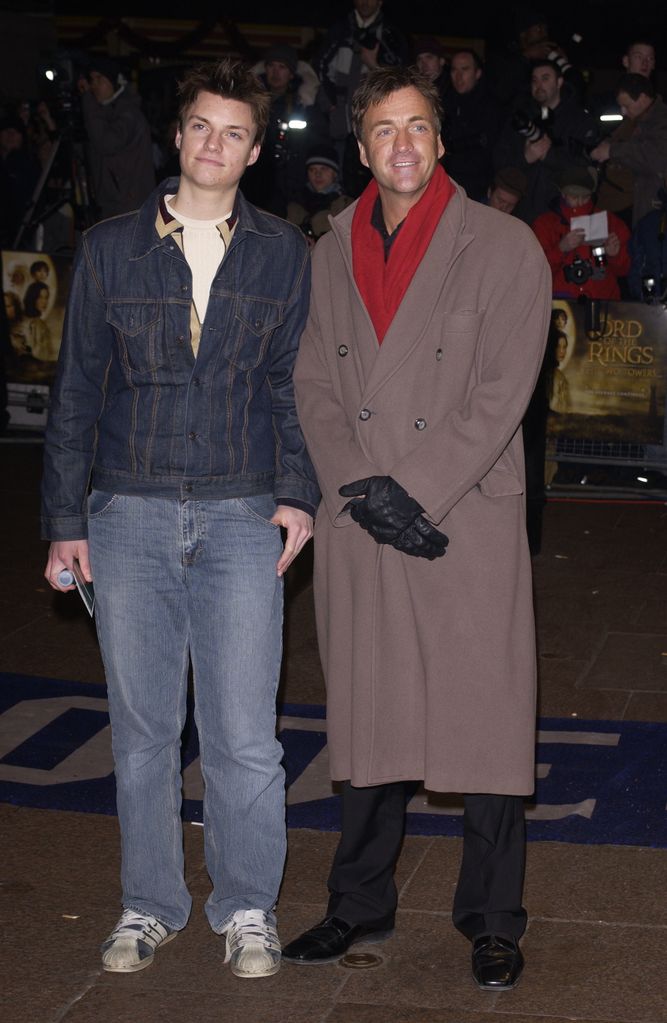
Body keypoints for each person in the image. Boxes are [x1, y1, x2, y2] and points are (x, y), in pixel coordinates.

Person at [41, 58, 318, 980]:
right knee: (143, 730)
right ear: (178, 135)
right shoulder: (114, 245)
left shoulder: (283, 252)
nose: (214, 143)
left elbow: (292, 387)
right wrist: (64, 522)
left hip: (241, 510)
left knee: (244, 736)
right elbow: (76, 389)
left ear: (255, 148)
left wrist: (297, 493)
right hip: (126, 512)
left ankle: (246, 906)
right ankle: (149, 904)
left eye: (234, 131)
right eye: (202, 125)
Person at [285, 66, 551, 991]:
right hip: (364, 516)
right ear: (361, 151)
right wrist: (362, 489)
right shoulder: (327, 253)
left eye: (418, 128)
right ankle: (357, 904)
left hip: (460, 514)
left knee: (484, 722)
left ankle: (491, 917)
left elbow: (501, 393)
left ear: (440, 142)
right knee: (368, 717)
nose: (402, 144)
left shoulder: (505, 245)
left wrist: (417, 491)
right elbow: (312, 382)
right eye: (383, 131)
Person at [494, 59, 597, 225]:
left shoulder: (579, 121)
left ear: (559, 82)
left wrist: (548, 155)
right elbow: (498, 161)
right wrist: (525, 158)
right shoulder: (519, 119)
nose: (539, 84)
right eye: (534, 80)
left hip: (561, 216)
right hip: (521, 214)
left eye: (545, 78)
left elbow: (587, 171)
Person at [531, 164, 631, 299]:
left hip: (602, 302)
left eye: (585, 197)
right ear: (562, 193)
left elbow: (625, 270)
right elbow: (535, 272)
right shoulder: (545, 224)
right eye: (574, 197)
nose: (579, 203)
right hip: (561, 303)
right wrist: (561, 248)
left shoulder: (609, 222)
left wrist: (614, 255)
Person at [78, 55, 155, 221]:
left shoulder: (128, 114)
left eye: (99, 78)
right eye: (92, 79)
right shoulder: (107, 112)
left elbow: (105, 143)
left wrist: (88, 100)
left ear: (114, 81)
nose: (94, 85)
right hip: (116, 205)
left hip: (127, 208)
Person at [590, 74, 667, 226]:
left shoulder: (661, 121)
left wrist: (612, 151)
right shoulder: (637, 119)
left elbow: (657, 156)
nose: (623, 111)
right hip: (634, 205)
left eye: (627, 105)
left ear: (643, 98)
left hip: (654, 211)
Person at [287, 143, 353, 244]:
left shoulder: (347, 206)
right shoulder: (294, 205)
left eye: (324, 169)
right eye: (312, 169)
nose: (317, 174)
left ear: (335, 173)